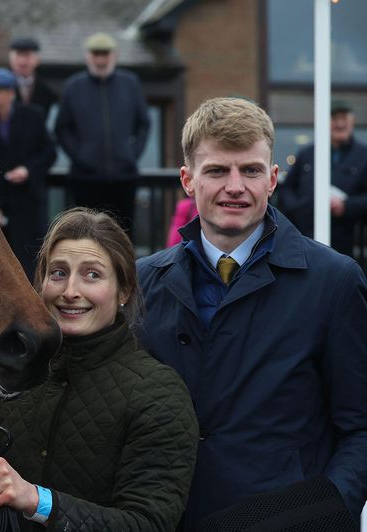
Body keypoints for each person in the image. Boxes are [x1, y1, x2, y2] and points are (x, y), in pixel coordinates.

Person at [137, 97, 367, 528]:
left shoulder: (334, 281)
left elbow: (360, 427)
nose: (235, 186)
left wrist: (320, 515)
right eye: (217, 171)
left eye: (251, 170)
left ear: (273, 179)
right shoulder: (142, 283)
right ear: (188, 180)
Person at [0, 207, 198, 531]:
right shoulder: (13, 369)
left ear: (124, 290)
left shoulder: (158, 393)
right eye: (59, 273)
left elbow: (148, 523)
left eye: (92, 275)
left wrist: (39, 501)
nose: (70, 291)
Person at [0, 67, 56, 279]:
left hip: (28, 203)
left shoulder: (33, 116)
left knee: (31, 262)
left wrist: (28, 169)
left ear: (10, 93)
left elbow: (49, 152)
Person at [54, 32, 150, 234]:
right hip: (85, 179)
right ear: (87, 56)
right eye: (95, 54)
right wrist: (80, 157)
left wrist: (132, 154)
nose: (100, 60)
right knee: (87, 236)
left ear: (114, 55)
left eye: (105, 54)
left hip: (124, 178)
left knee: (123, 235)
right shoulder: (73, 87)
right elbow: (62, 128)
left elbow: (143, 124)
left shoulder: (130, 83)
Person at [279, 99, 367, 258]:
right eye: (334, 118)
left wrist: (346, 206)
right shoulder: (307, 153)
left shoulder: (363, 155)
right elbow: (287, 188)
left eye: (344, 118)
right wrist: (297, 208)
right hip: (304, 238)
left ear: (352, 121)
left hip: (346, 243)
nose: (339, 124)